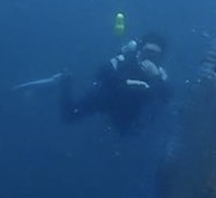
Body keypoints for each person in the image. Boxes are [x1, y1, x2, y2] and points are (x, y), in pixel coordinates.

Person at [18, 33, 170, 137]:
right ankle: (65, 81)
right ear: (139, 51)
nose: (151, 57)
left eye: (156, 55)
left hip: (129, 112)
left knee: (126, 134)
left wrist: (155, 77)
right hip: (107, 100)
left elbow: (167, 96)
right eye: (148, 52)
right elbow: (103, 72)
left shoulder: (159, 73)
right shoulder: (126, 60)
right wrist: (127, 83)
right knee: (69, 117)